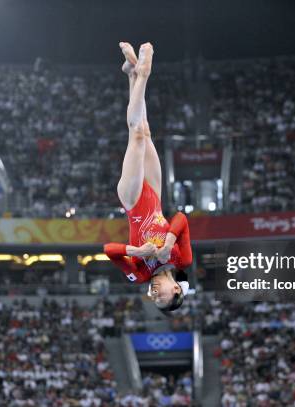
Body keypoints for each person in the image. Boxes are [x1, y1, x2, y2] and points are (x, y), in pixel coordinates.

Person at [104, 42, 192, 314]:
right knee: (145, 131)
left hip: (132, 202)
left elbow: (109, 250)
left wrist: (138, 252)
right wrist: (167, 244)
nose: (154, 295)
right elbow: (181, 219)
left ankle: (142, 74)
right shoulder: (182, 258)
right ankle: (131, 74)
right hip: (154, 198)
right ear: (176, 288)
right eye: (162, 298)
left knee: (137, 136)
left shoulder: (139, 275)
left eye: (154, 300)